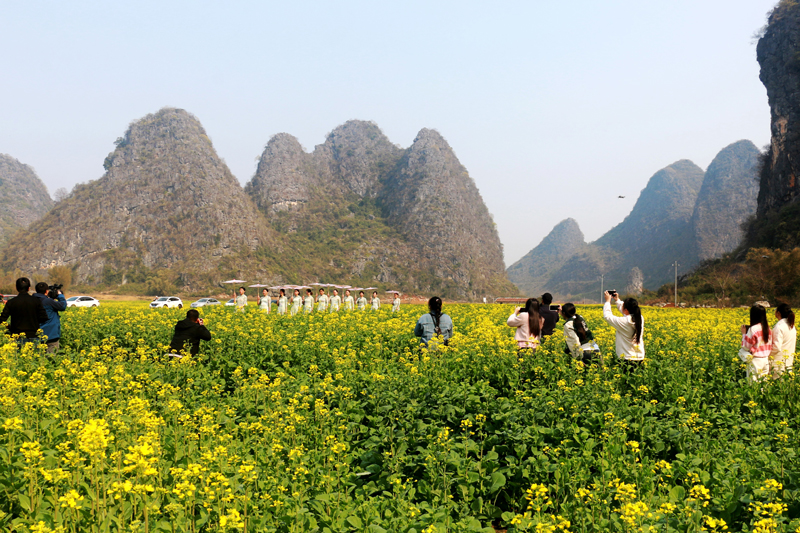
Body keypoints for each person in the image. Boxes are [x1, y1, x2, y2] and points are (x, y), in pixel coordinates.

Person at [602, 291, 645, 366]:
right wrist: (617, 300)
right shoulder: (640, 318)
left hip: (627, 358)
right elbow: (627, 311)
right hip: (639, 357)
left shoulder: (624, 322)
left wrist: (608, 302)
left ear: (626, 310)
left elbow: (607, 316)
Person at [0, 277, 47, 343]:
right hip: (33, 335)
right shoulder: (36, 301)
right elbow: (44, 317)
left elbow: (2, 319)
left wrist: (10, 327)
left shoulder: (11, 302)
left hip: (17, 336)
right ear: (28, 288)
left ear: (17, 288)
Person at [739, 304, 772, 382]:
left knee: (753, 386)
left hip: (755, 360)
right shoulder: (768, 329)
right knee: (763, 385)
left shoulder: (753, 329)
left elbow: (746, 347)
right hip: (765, 360)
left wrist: (744, 334)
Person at [33, 282, 67, 353]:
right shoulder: (48, 301)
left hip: (36, 335)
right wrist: (60, 295)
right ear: (46, 291)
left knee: (39, 359)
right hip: (51, 336)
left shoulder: (31, 300)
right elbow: (62, 306)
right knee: (51, 359)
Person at [770, 303, 796, 378]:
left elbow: (777, 347)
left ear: (778, 313)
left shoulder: (779, 327)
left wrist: (767, 354)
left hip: (777, 364)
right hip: (788, 362)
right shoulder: (792, 326)